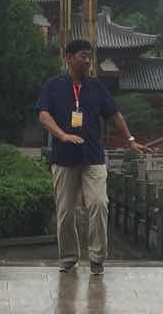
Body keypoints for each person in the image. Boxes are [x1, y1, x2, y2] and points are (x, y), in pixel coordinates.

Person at [36, 39, 147, 275]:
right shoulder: (53, 86)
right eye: (83, 56)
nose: (87, 61)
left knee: (99, 204)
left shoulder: (96, 87)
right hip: (64, 158)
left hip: (93, 157)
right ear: (69, 57)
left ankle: (97, 258)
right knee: (65, 211)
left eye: (89, 56)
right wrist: (62, 135)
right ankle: (68, 258)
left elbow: (114, 115)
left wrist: (130, 139)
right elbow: (43, 115)